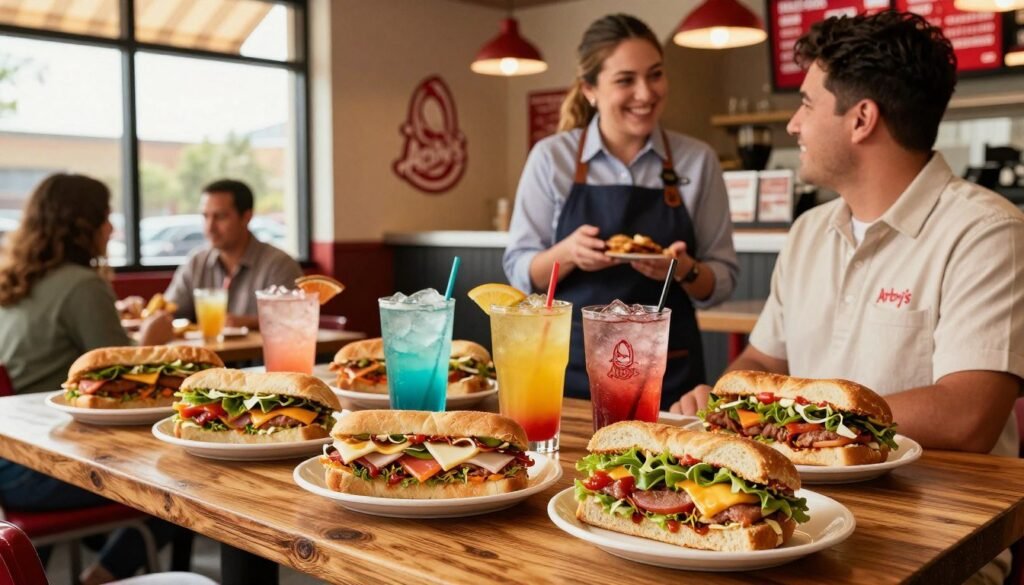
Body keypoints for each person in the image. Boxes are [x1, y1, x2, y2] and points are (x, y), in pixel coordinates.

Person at [672, 12, 1023, 584]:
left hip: (933, 535)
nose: (792, 125)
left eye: (807, 104)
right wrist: (731, 403)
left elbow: (968, 415)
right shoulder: (810, 230)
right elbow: (763, 362)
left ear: (862, 119)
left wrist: (775, 423)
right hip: (792, 517)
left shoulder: (985, 230)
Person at [503, 13, 738, 409]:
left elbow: (723, 281)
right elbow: (519, 272)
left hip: (670, 382)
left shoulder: (697, 161)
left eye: (656, 75)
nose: (645, 93)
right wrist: (569, 254)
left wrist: (682, 269)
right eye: (625, 80)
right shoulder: (552, 158)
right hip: (571, 376)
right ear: (590, 89)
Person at [0, 173, 176, 584]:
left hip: (11, 460)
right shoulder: (82, 285)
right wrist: (151, 339)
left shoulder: (15, 281)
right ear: (84, 225)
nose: (112, 227)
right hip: (45, 470)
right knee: (180, 482)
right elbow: (134, 379)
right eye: (106, 217)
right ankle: (100, 577)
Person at [163, 179, 303, 330]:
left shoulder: (279, 265)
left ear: (246, 217)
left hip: (259, 354)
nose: (210, 227)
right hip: (204, 353)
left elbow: (295, 322)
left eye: (220, 217)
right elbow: (167, 313)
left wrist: (251, 323)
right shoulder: (196, 262)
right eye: (205, 216)